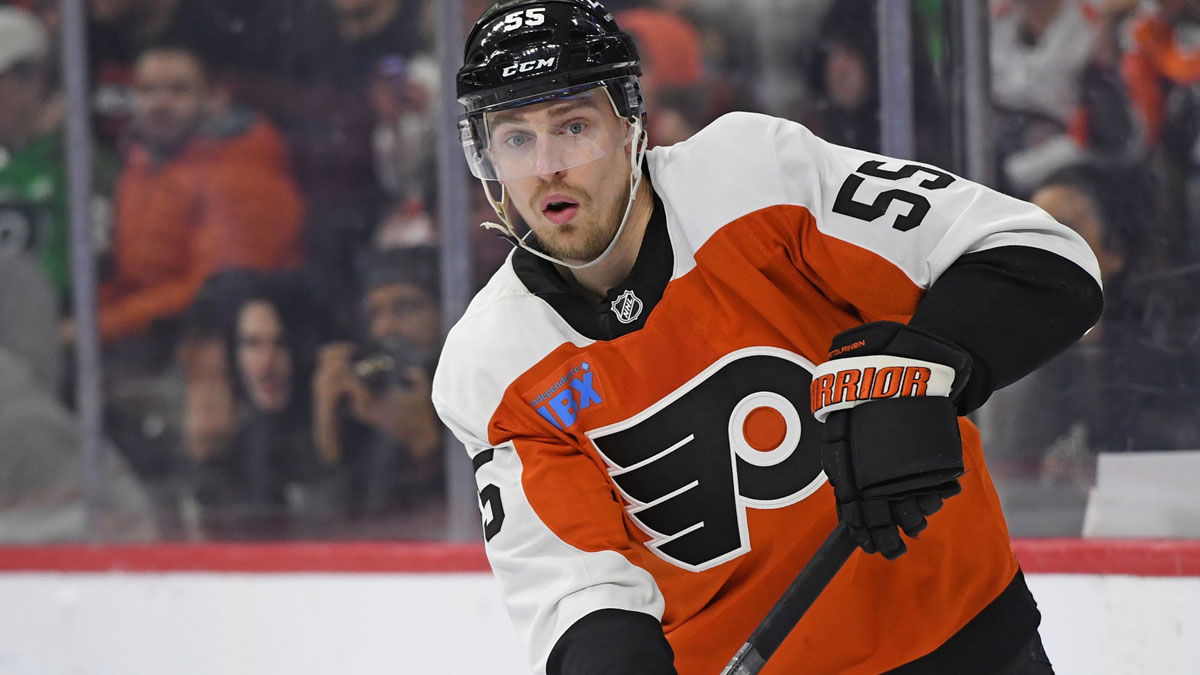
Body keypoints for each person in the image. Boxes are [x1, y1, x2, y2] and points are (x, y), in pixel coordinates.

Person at [431, 2, 1103, 674]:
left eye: (573, 126)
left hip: (963, 641)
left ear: (632, 123)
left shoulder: (754, 182)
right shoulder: (493, 366)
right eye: (515, 138)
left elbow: (1041, 260)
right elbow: (579, 594)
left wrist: (923, 373)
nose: (546, 166)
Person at [311, 245, 446, 534]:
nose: (385, 328)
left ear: (444, 313)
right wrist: (328, 433)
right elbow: (328, 534)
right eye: (375, 313)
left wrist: (424, 443)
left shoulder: (484, 394)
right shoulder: (360, 398)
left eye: (406, 307)